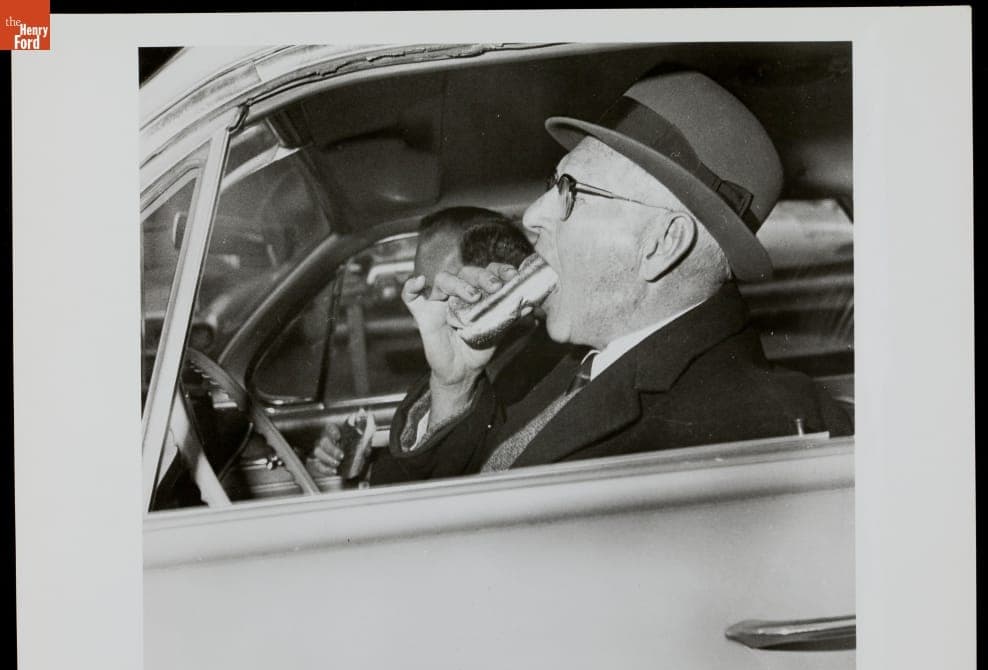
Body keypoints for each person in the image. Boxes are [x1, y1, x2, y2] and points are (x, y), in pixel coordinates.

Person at [358, 68, 852, 484]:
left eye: (570, 192)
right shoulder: (568, 361)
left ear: (662, 243)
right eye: (553, 184)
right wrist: (455, 384)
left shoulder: (743, 429)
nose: (533, 215)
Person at [307, 207, 571, 478]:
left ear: (493, 284)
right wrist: (362, 468)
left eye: (442, 290)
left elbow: (461, 481)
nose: (423, 313)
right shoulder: (470, 365)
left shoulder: (546, 379)